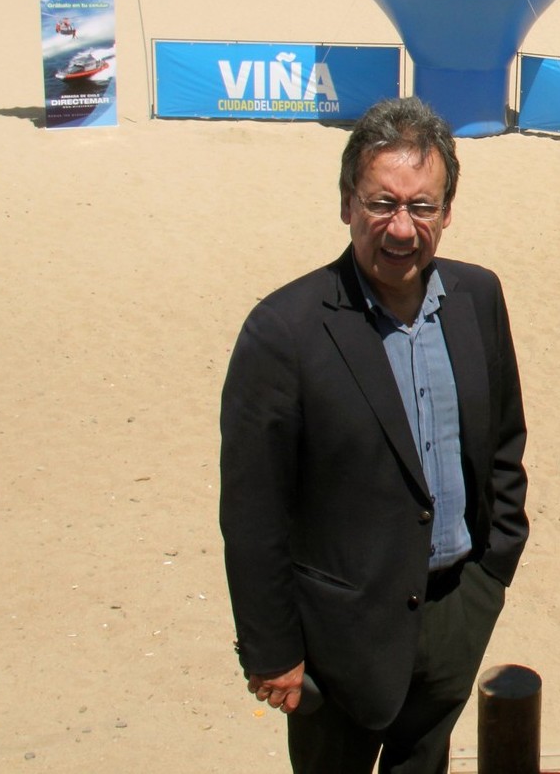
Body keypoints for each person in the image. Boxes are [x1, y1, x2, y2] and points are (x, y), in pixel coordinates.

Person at [220, 97, 529, 774]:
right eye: (380, 202)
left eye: (421, 206)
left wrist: (492, 573)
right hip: (340, 643)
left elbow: (503, 445)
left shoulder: (478, 298)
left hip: (455, 614)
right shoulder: (284, 331)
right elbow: (253, 515)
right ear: (346, 203)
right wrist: (273, 650)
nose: (400, 227)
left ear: (447, 211)